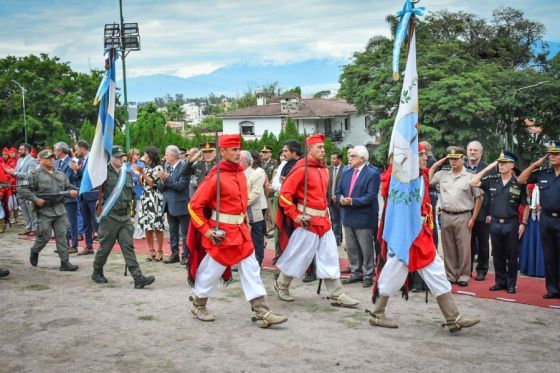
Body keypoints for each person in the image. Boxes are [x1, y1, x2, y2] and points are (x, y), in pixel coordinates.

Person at [368, 144, 480, 333]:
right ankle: (377, 313)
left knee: (436, 271)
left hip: (420, 234)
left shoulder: (422, 177)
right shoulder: (400, 180)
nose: (425, 157)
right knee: (392, 273)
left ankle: (453, 317)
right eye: (420, 154)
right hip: (405, 236)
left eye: (425, 154)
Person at [187, 134, 287, 328]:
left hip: (241, 232)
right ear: (222, 151)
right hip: (222, 235)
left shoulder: (240, 173)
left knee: (251, 269)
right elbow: (194, 206)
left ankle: (261, 311)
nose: (237, 152)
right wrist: (207, 231)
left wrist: (246, 222)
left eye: (239, 149)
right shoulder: (215, 177)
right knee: (211, 270)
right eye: (233, 149)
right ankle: (199, 304)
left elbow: (241, 204)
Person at [274, 133, 359, 308]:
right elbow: (285, 196)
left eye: (323, 147)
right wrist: (296, 215)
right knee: (297, 256)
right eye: (319, 147)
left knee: (329, 257)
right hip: (307, 223)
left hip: (324, 221)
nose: (323, 150)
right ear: (309, 149)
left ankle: (337, 294)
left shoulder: (323, 169)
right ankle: (281, 285)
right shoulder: (300, 169)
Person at [91, 147, 155, 289]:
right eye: (118, 156)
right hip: (109, 217)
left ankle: (138, 277)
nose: (121, 159)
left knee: (128, 246)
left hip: (124, 216)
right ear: (111, 157)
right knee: (105, 247)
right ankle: (97, 271)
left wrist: (131, 214)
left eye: (122, 157)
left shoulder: (126, 173)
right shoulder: (103, 173)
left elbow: (132, 193)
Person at [470, 151, 528, 294]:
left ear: (512, 165)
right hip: (495, 223)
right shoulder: (492, 180)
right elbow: (473, 182)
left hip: (512, 223)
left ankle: (511, 284)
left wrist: (524, 223)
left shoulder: (518, 183)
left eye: (504, 163)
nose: (500, 165)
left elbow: (526, 204)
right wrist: (489, 166)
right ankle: (500, 281)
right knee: (498, 255)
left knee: (512, 256)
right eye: (499, 163)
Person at [429, 146, 483, 286]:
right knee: (448, 247)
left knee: (464, 248)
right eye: (450, 159)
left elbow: (479, 198)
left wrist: (473, 218)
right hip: (446, 215)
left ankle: (464, 276)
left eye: (455, 159)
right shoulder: (442, 174)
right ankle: (451, 275)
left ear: (462, 159)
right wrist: (436, 164)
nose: (452, 162)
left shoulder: (470, 176)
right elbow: (427, 182)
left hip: (463, 215)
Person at [18, 150, 79, 271]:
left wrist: (78, 190)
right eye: (48, 158)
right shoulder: (34, 174)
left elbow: (68, 186)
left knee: (62, 235)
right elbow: (22, 190)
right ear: (40, 160)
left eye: (52, 157)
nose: (52, 160)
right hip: (44, 211)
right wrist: (35, 200)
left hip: (59, 209)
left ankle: (64, 262)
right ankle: (35, 250)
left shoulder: (60, 173)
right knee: (44, 236)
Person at [517, 140, 560, 299]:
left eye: (556, 154)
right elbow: (521, 180)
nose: (552, 156)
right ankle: (553, 290)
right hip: (547, 219)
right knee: (549, 256)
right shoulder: (543, 172)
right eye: (550, 154)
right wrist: (535, 164)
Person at [337, 146, 380, 287]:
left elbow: (371, 196)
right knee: (352, 247)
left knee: (366, 248)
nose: (349, 158)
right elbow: (338, 191)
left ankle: (368, 274)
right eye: (349, 156)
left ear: (362, 158)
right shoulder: (347, 173)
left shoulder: (372, 173)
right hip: (348, 215)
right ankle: (356, 272)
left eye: (353, 156)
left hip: (364, 217)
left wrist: (353, 201)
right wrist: (340, 198)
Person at [157, 145, 189, 265]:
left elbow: (181, 186)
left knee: (185, 233)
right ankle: (174, 254)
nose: (165, 157)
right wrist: (162, 179)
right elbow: (160, 188)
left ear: (174, 156)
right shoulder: (166, 167)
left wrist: (167, 179)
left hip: (181, 204)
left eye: (167, 154)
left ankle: (186, 255)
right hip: (169, 204)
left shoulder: (184, 167)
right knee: (173, 231)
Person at [464, 141, 491, 281]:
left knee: (483, 243)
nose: (472, 152)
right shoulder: (461, 167)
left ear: (480, 153)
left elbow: (492, 192)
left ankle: (482, 270)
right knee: (467, 242)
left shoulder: (488, 169)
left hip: (483, 212)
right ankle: (466, 269)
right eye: (470, 150)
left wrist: (490, 212)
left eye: (475, 150)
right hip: (465, 211)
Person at [138, 146, 165, 261]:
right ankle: (150, 250)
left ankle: (160, 251)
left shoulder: (159, 168)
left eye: (146, 155)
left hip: (155, 198)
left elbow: (151, 183)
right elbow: (141, 183)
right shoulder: (146, 168)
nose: (144, 157)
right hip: (145, 197)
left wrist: (142, 173)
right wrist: (141, 173)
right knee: (147, 225)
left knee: (157, 225)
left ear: (151, 157)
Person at [240, 150, 266, 265]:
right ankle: (243, 260)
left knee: (256, 238)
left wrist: (239, 203)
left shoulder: (256, 174)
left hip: (253, 211)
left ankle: (257, 261)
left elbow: (255, 194)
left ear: (247, 161)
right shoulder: (236, 174)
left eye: (239, 160)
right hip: (239, 212)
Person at [5, 144, 37, 236]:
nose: (18, 151)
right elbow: (16, 173)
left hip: (28, 189)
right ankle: (28, 227)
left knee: (31, 209)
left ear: (27, 150)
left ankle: (35, 229)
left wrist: (14, 173)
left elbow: (29, 175)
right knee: (24, 210)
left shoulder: (32, 161)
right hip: (19, 188)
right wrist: (10, 172)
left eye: (20, 149)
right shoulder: (19, 160)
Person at [54, 142, 80, 253]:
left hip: (69, 196)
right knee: (62, 223)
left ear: (60, 151)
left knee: (72, 223)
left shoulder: (71, 162)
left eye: (55, 150)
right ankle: (64, 245)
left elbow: (67, 178)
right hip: (59, 197)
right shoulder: (56, 162)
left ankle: (74, 245)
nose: (54, 152)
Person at [73, 140, 98, 255]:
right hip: (82, 194)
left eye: (77, 149)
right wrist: (76, 171)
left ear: (83, 148)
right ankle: (89, 246)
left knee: (96, 221)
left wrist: (78, 170)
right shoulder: (81, 160)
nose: (75, 151)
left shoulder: (94, 158)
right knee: (86, 222)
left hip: (93, 194)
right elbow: (80, 177)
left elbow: (90, 174)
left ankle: (103, 246)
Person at [126, 148, 145, 240]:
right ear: (132, 155)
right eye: (137, 154)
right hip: (128, 191)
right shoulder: (126, 165)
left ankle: (140, 232)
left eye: (139, 154)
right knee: (129, 212)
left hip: (139, 190)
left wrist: (137, 176)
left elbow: (142, 178)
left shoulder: (141, 164)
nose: (138, 156)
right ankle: (130, 231)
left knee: (139, 212)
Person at [328, 152, 345, 246]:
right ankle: (336, 240)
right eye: (331, 159)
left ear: (339, 159)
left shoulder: (345, 169)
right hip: (330, 200)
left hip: (340, 200)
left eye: (333, 159)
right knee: (334, 221)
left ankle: (343, 240)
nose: (331, 160)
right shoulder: (329, 169)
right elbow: (328, 184)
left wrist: (337, 195)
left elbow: (345, 185)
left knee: (342, 221)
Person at [260, 145, 278, 236]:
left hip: (270, 192)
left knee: (271, 212)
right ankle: (266, 229)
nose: (264, 154)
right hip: (261, 191)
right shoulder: (260, 163)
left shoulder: (275, 163)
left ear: (270, 153)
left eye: (266, 152)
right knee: (264, 213)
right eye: (263, 152)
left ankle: (272, 229)